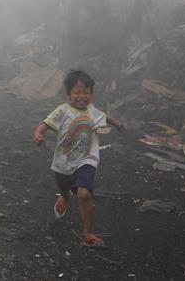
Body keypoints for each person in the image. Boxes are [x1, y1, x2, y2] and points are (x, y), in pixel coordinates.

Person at [33, 69, 125, 247]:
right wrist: (38, 133)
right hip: (63, 162)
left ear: (91, 94)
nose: (82, 96)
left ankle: (88, 233)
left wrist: (117, 123)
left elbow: (104, 117)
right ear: (69, 94)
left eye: (86, 93)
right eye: (77, 92)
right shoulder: (63, 110)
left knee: (84, 194)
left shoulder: (92, 111)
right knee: (64, 186)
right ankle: (65, 197)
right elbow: (45, 124)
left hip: (86, 160)